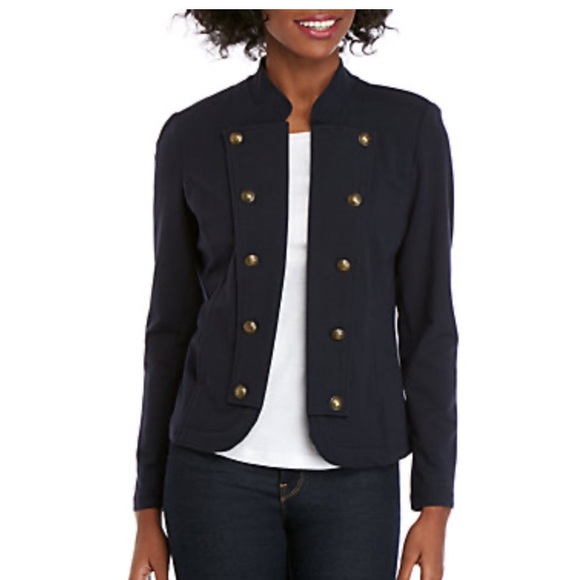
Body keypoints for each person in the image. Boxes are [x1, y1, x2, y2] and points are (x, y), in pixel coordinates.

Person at [129, 9, 458, 580]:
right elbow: (170, 327)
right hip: (213, 474)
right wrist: (147, 507)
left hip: (357, 478)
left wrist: (435, 503)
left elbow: (429, 323)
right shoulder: (193, 134)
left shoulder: (410, 128)